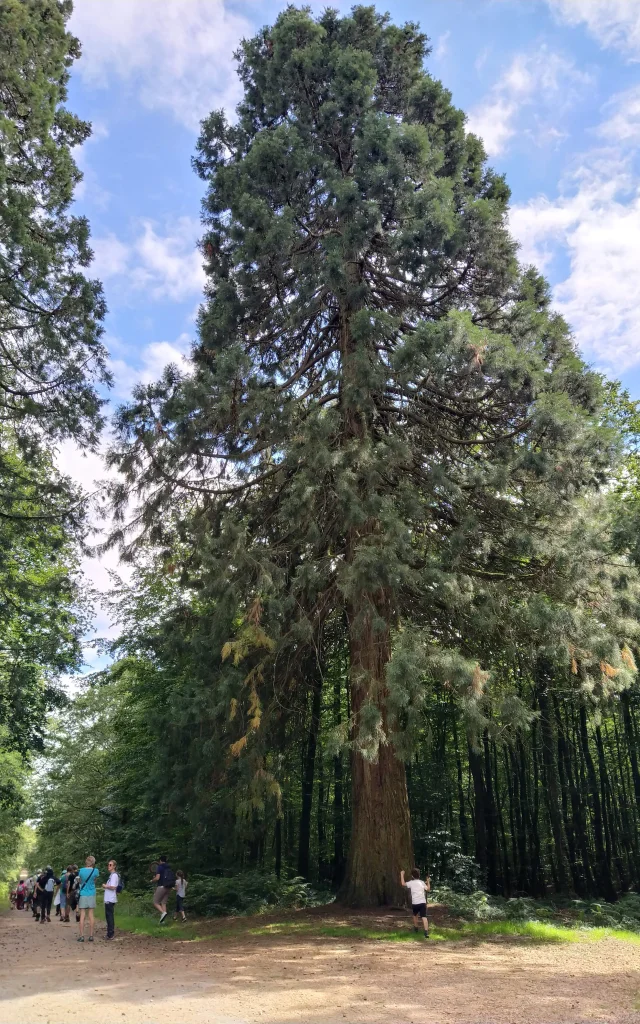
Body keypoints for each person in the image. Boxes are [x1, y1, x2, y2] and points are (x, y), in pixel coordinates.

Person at [400, 867, 430, 939]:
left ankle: (416, 928)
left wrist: (402, 874)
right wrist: (428, 881)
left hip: (415, 903)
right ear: (419, 875)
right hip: (422, 903)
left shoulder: (411, 883)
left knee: (415, 915)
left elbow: (403, 883)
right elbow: (428, 889)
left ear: (412, 876)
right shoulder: (422, 882)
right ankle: (426, 932)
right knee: (424, 917)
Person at [76, 856, 99, 942]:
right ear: (93, 862)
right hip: (92, 893)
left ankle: (82, 936)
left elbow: (80, 881)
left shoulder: (81, 871)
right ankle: (91, 935)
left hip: (83, 894)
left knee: (82, 915)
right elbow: (94, 881)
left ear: (86, 862)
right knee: (91, 914)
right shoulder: (96, 871)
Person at [152, 855, 175, 923]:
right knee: (163, 903)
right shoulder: (168, 867)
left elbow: (157, 878)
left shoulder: (160, 867)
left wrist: (152, 880)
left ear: (160, 860)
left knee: (155, 902)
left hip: (161, 886)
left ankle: (163, 913)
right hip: (169, 887)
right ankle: (162, 921)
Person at [102, 859, 119, 940]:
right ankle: (109, 933)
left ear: (114, 866)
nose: (109, 866)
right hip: (108, 898)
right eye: (108, 865)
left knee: (110, 916)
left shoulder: (114, 875)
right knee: (108, 916)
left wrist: (105, 886)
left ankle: (110, 934)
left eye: (110, 865)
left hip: (110, 899)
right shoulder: (111, 875)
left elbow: (113, 887)